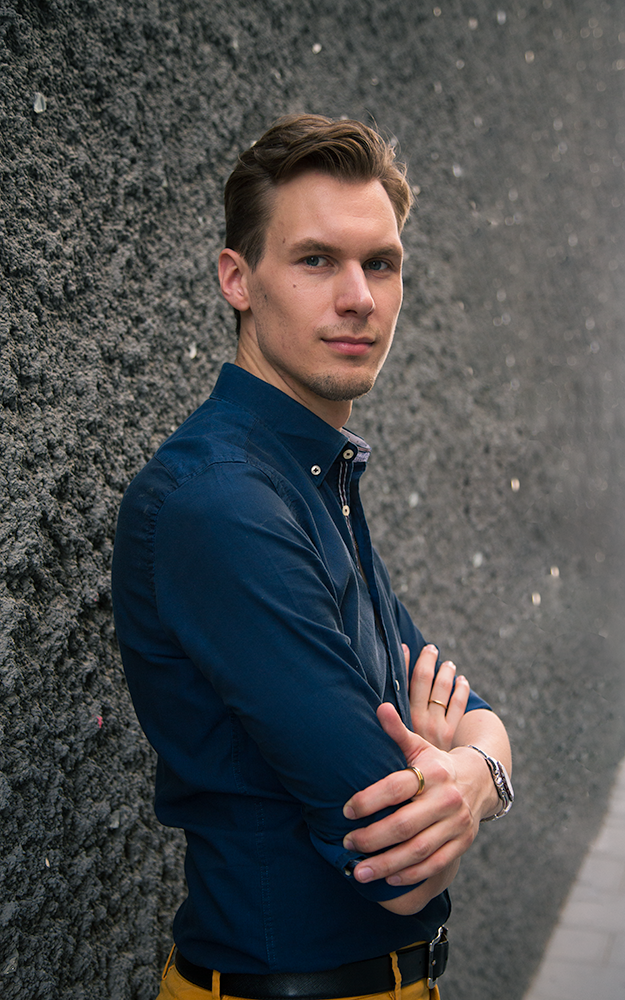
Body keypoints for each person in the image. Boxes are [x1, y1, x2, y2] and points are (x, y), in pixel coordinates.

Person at [111, 114, 513, 1000]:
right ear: (237, 280)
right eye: (315, 260)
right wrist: (448, 775)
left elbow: (472, 712)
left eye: (381, 263)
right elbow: (400, 851)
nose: (359, 297)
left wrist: (474, 772)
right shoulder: (223, 502)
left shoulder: (313, 475)